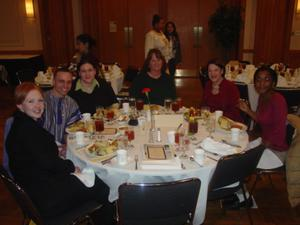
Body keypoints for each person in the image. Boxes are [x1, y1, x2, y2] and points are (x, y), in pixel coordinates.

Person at [5, 82, 112, 221]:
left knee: (88, 177)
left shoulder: (20, 123)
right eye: (31, 101)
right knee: (103, 187)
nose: (38, 106)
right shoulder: (27, 130)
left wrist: (58, 155)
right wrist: (71, 167)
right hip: (46, 198)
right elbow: (49, 163)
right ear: (20, 105)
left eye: (40, 100)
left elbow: (38, 155)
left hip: (35, 188)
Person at [239, 66, 288, 164]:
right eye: (258, 80)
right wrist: (247, 110)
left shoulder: (278, 100)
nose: (261, 84)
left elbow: (279, 132)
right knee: (234, 150)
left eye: (267, 80)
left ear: (273, 83)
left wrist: (260, 147)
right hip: (264, 144)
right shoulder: (262, 97)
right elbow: (262, 120)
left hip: (276, 151)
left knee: (238, 162)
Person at [42, 67, 81, 145]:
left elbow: (72, 130)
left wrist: (66, 146)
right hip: (42, 147)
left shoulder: (72, 104)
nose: (65, 85)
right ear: (53, 82)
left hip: (63, 148)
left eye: (69, 82)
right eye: (61, 81)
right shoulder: (41, 101)